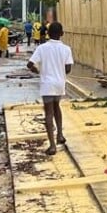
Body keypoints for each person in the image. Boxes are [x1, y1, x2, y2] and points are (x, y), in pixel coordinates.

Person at [27, 22, 74, 156]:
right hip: (59, 83)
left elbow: (29, 64)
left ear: (47, 33)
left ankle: (52, 146)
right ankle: (60, 135)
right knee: (56, 106)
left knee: (48, 112)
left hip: (47, 84)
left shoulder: (42, 48)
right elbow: (68, 69)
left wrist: (37, 71)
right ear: (62, 34)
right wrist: (59, 70)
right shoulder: (66, 49)